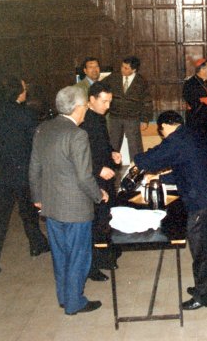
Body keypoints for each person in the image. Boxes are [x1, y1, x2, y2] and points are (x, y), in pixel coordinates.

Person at [133, 111, 207, 311]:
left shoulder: (176, 140)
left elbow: (151, 158)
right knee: (205, 250)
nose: (163, 135)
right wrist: (158, 179)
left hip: (204, 203)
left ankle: (204, 297)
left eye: (161, 131)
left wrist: (136, 162)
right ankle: (203, 288)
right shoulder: (189, 135)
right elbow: (184, 169)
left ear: (166, 125)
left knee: (204, 251)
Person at [29, 86, 108, 315]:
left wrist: (37, 197)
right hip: (75, 208)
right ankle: (75, 302)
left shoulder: (43, 129)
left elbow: (34, 167)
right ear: (77, 108)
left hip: (51, 205)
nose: (84, 111)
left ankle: (64, 297)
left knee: (61, 255)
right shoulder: (77, 134)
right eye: (84, 106)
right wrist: (98, 195)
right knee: (79, 256)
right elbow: (84, 176)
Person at [0, 76, 49, 274]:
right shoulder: (26, 114)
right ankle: (37, 245)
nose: (26, 91)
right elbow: (34, 144)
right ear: (19, 92)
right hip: (22, 173)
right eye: (24, 88)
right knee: (29, 213)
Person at [79, 82, 122, 281]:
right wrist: (98, 170)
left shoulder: (98, 117)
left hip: (105, 175)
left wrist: (112, 152)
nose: (107, 106)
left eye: (109, 102)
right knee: (95, 221)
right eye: (104, 101)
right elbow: (82, 155)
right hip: (93, 179)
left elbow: (102, 143)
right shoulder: (85, 120)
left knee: (105, 217)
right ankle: (92, 266)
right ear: (92, 100)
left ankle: (105, 256)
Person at [104, 56, 153, 162]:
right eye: (122, 66)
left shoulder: (141, 81)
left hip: (133, 117)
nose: (123, 69)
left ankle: (136, 171)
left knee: (135, 147)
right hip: (115, 117)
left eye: (126, 68)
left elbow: (147, 102)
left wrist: (145, 119)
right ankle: (110, 170)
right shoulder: (113, 77)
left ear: (134, 70)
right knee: (112, 145)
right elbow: (101, 87)